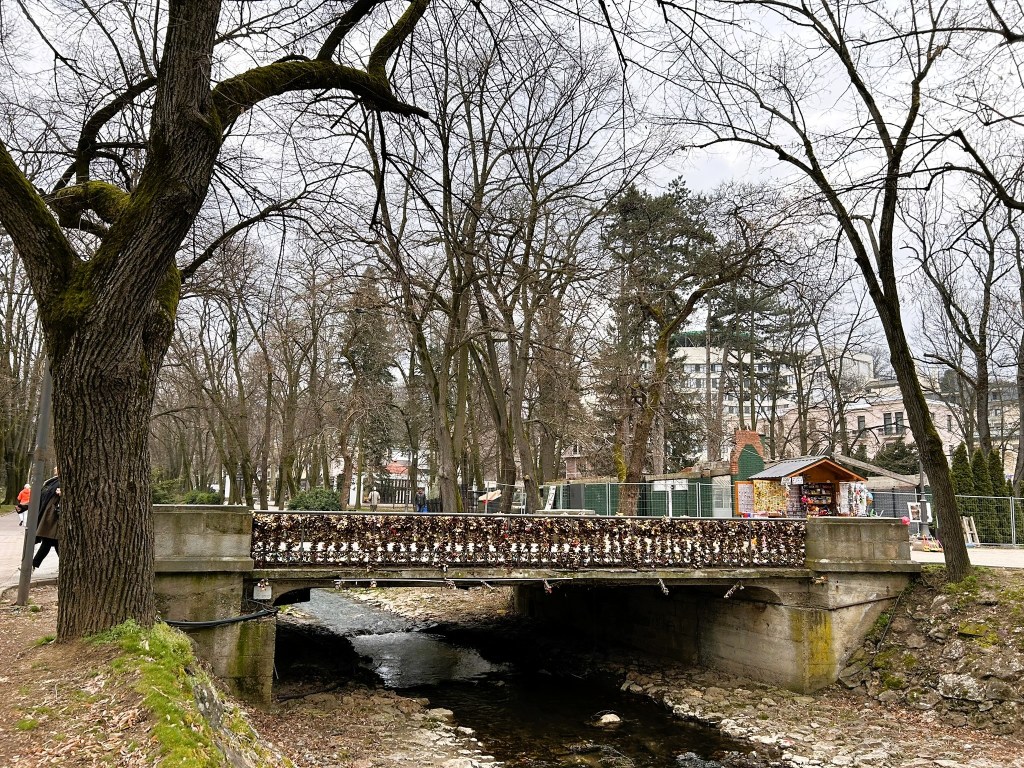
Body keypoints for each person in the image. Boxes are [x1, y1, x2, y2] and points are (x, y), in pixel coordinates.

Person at [33, 471, 60, 569]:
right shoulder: (51, 482)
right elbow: (42, 498)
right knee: (52, 542)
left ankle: (33, 564)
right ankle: (67, 567)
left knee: (49, 541)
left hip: (54, 518)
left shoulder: (60, 482)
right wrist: (24, 506)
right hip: (48, 517)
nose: (55, 471)